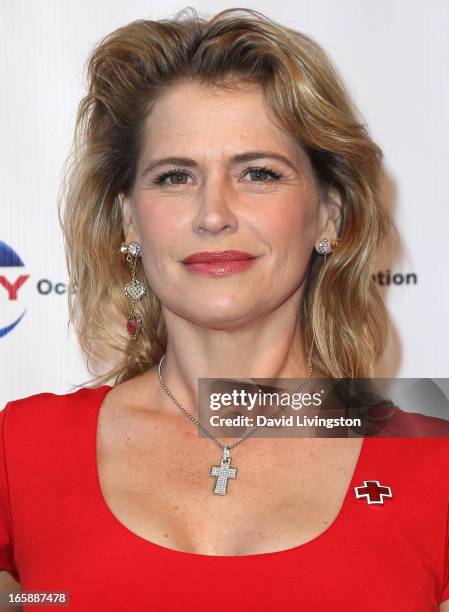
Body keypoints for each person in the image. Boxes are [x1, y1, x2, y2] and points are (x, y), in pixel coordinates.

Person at [1, 7, 448, 611]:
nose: (214, 214)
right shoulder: (21, 449)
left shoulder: (434, 463)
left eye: (259, 173)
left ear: (330, 214)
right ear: (130, 218)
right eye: (174, 176)